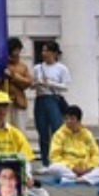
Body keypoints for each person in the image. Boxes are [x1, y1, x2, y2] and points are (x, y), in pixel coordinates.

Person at [33, 41, 71, 169]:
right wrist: (37, 83)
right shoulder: (37, 68)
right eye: (43, 50)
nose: (44, 53)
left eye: (46, 51)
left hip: (54, 99)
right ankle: (45, 161)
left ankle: (58, 159)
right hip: (40, 99)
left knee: (56, 130)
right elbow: (32, 85)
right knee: (42, 131)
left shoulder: (61, 68)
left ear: (54, 53)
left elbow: (65, 87)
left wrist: (49, 83)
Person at [46, 105, 99, 186]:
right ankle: (82, 179)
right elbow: (54, 157)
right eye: (66, 119)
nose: (68, 121)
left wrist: (89, 167)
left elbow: (95, 154)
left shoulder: (87, 134)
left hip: (86, 169)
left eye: (72, 118)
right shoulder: (59, 135)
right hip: (68, 169)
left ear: (79, 120)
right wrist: (72, 167)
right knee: (53, 167)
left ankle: (73, 179)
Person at [0, 37, 33, 132]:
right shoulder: (0, 64)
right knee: (3, 128)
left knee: (19, 129)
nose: (17, 53)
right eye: (15, 50)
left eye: (19, 50)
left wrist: (13, 76)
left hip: (18, 101)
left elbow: (28, 82)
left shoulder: (23, 67)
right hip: (3, 100)